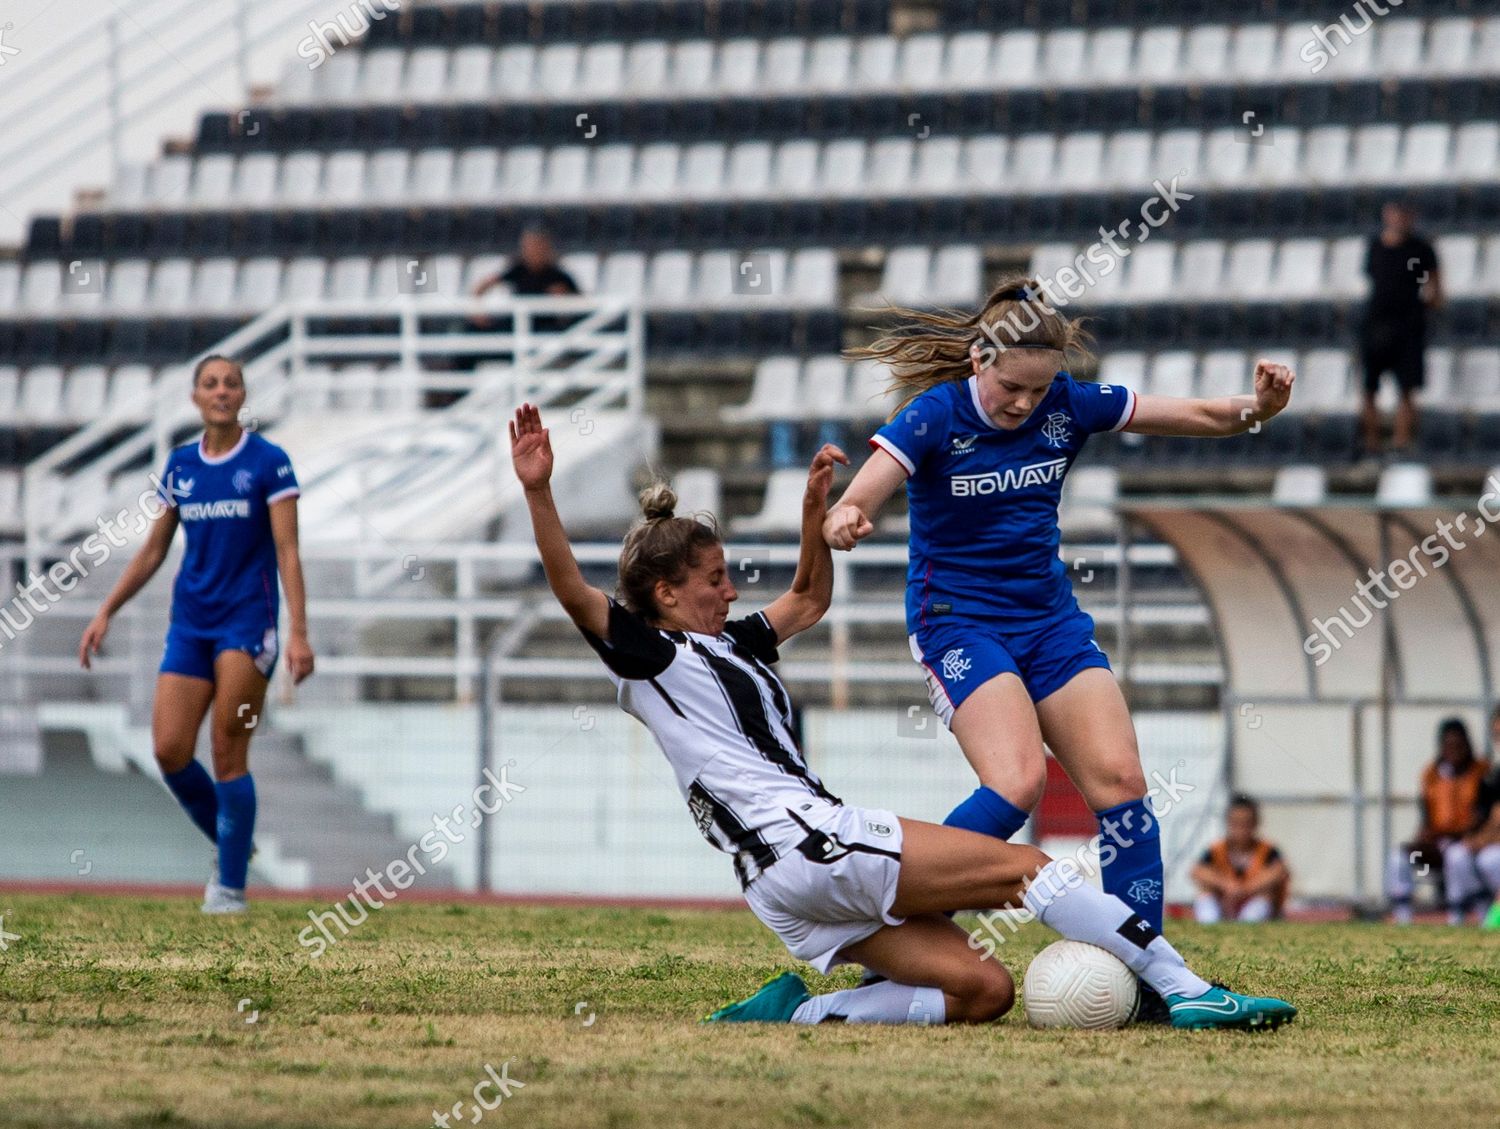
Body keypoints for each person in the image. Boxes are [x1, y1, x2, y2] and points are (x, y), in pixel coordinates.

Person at [511, 401, 1295, 1030]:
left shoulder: (736, 646)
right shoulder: (653, 654)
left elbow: (810, 599)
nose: (731, 591)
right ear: (665, 595)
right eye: (715, 579)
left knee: (983, 990)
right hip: (809, 842)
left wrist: (815, 513)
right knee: (1030, 870)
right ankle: (1187, 988)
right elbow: (574, 592)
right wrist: (540, 490)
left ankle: (806, 1010)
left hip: (785, 881)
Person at [821, 278, 1292, 1017]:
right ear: (979, 360)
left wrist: (1257, 410)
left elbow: (1197, 413)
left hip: (1050, 621)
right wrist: (846, 516)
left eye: (1039, 391)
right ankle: (900, 939)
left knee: (1123, 790)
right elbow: (865, 489)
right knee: (1016, 784)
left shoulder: (1068, 405)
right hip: (957, 621)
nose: (1023, 405)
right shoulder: (934, 415)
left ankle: (1151, 982)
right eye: (1011, 388)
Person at [78, 355, 315, 914]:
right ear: (195, 398)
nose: (222, 390)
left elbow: (288, 551)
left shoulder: (268, 463)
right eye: (210, 383)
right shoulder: (181, 466)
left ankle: (229, 889)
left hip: (246, 623)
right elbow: (155, 549)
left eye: (231, 383)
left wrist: (298, 633)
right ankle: (234, 845)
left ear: (242, 396)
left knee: (227, 748)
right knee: (168, 750)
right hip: (190, 623)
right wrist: (107, 608)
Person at [1358, 199, 1441, 460]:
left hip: (1407, 328)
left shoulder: (1420, 250)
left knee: (1406, 388)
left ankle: (1400, 443)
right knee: (1369, 388)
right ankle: (1371, 445)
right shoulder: (1376, 247)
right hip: (1376, 324)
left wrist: (1423, 307)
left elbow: (1434, 287)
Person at [1385, 717, 1488, 925]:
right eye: (1448, 745)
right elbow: (1426, 815)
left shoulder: (1481, 772)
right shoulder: (1431, 774)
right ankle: (1402, 915)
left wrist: (1454, 833)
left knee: (1456, 856)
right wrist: (1424, 836)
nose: (1454, 750)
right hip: (1436, 843)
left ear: (1467, 744)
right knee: (1400, 856)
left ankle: (1458, 915)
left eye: (1459, 745)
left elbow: (1482, 815)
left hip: (1465, 842)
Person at [1190, 794, 1291, 924]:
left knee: (1264, 896)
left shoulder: (1267, 850)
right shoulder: (1217, 849)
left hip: (1253, 905)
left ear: (1255, 823)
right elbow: (1197, 871)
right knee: (1205, 894)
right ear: (1228, 823)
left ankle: (1247, 924)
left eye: (1246, 824)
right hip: (1225, 906)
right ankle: (1210, 924)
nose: (1241, 830)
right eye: (1236, 823)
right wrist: (1226, 885)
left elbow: (1279, 871)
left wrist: (1244, 890)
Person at [1445, 706, 1500, 927]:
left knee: (1490, 859)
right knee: (1457, 853)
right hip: (1491, 842)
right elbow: (1491, 817)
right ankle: (1468, 914)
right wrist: (1475, 839)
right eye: (1497, 735)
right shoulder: (1493, 776)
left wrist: (1484, 840)